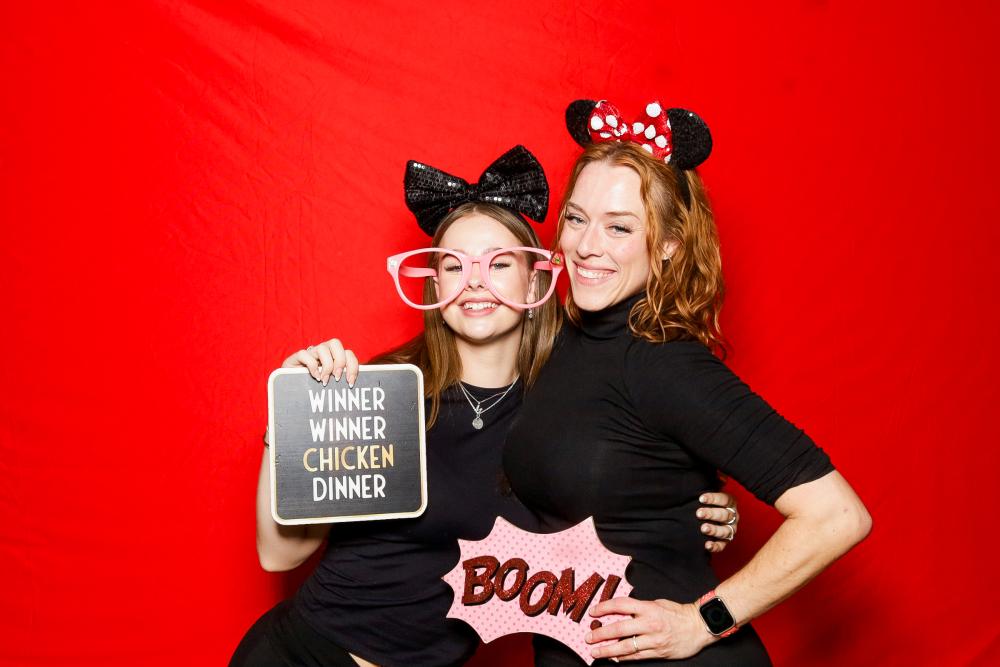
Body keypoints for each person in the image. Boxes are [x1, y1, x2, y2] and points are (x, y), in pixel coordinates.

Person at [230, 146, 739, 667]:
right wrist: (290, 425)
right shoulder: (383, 394)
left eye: (498, 263)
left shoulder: (565, 412)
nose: (475, 281)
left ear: (536, 279)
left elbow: (627, 488)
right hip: (303, 654)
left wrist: (696, 511)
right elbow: (279, 555)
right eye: (454, 265)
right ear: (436, 284)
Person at [503, 100, 872, 666]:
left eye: (619, 227)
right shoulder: (556, 336)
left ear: (670, 244)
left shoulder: (664, 364)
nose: (586, 245)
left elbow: (838, 515)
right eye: (576, 219)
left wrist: (705, 621)